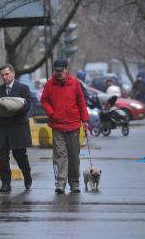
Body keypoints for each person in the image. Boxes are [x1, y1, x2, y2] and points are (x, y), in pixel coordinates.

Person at [41, 60, 89, 194]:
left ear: (66, 69)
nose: (58, 73)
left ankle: (74, 183)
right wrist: (52, 113)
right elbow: (44, 100)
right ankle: (60, 183)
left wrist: (85, 120)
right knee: (60, 155)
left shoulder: (74, 83)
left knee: (74, 156)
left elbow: (81, 101)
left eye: (61, 71)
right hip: (57, 125)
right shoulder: (50, 84)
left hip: (73, 125)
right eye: (56, 71)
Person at [0, 64, 32, 193]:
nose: (4, 77)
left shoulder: (23, 88)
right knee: (2, 158)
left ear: (13, 73)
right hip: (3, 128)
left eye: (7, 74)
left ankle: (27, 175)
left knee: (19, 155)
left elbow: (27, 106)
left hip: (18, 127)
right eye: (2, 75)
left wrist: (13, 109)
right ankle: (5, 184)